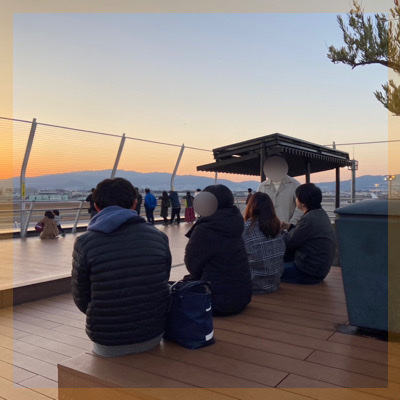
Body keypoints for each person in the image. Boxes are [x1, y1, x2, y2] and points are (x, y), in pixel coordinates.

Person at [72, 178, 172, 357]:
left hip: (107, 339)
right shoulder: (158, 237)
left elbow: (81, 296)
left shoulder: (85, 242)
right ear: (134, 204)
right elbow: (163, 279)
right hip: (154, 332)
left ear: (96, 206)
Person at [184, 185, 252, 316]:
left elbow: (191, 265)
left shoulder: (205, 228)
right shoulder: (236, 221)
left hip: (216, 301)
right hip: (242, 296)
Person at [281, 183, 336, 284]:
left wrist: (278, 231)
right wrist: (289, 227)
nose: (295, 200)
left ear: (303, 203)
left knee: (270, 271)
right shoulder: (320, 214)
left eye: (296, 198)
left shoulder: (309, 219)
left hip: (307, 271)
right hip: (318, 268)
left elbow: (289, 242)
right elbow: (302, 234)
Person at [243, 192, 286, 294]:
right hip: (274, 284)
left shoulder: (245, 228)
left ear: (250, 207)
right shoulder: (276, 227)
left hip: (252, 286)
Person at [257, 154, 303, 226]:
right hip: (267, 230)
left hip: (288, 232)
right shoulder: (262, 187)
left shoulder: (295, 184)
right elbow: (257, 207)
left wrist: (291, 224)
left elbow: (301, 207)